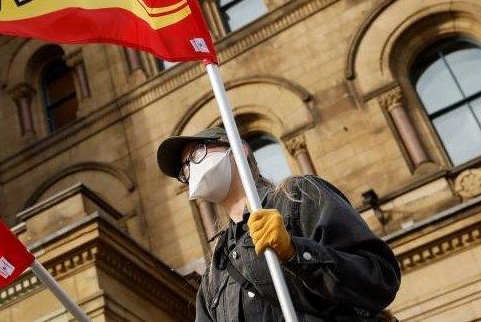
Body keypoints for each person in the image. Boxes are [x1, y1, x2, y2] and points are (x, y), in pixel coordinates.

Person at [156, 127, 401, 321]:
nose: (191, 170)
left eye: (198, 153)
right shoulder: (214, 274)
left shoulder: (299, 196)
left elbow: (379, 279)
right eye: (184, 170)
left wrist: (296, 252)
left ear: (240, 150)